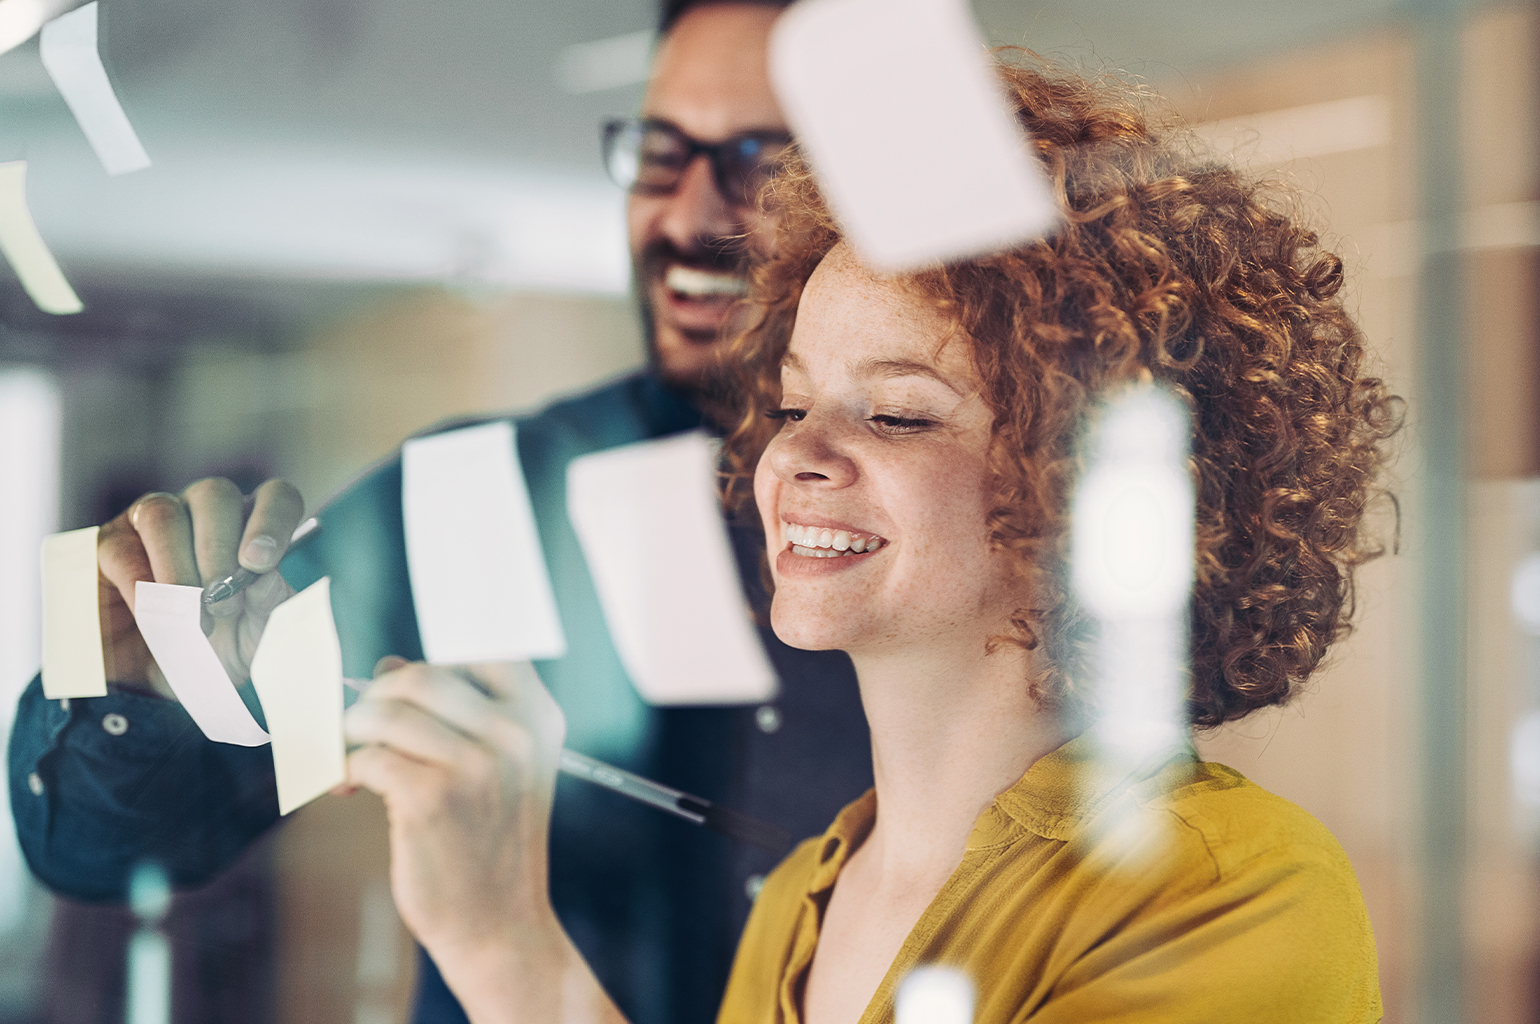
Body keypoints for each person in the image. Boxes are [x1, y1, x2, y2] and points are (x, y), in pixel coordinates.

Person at [338, 53, 1399, 1024]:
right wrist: (490, 935)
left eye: (897, 413)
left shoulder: (1224, 889)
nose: (796, 457)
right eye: (795, 405)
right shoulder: (803, 896)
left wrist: (508, 951)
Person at [7, 4, 873, 1024]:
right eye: (662, 152)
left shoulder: (986, 522)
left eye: (757, 160)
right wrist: (130, 696)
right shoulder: (480, 496)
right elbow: (105, 851)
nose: (688, 216)